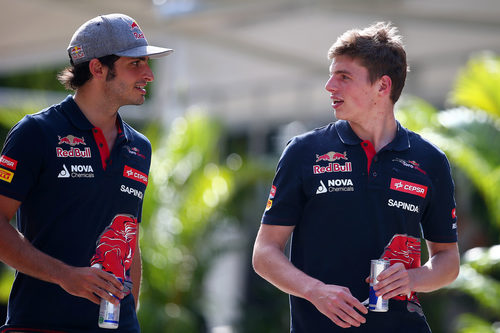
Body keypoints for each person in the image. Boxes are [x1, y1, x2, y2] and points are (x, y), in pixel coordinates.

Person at [252, 22, 459, 332]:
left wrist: (413, 278)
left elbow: (448, 260)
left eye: (344, 77)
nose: (329, 86)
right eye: (331, 74)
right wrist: (315, 291)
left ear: (382, 87)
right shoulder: (304, 152)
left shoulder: (430, 161)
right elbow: (264, 253)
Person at [0, 13, 173, 332]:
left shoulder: (140, 147)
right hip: (40, 324)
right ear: (97, 68)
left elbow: (128, 237)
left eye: (147, 62)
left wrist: (128, 317)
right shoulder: (36, 133)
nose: (148, 74)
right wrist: (64, 275)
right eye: (135, 63)